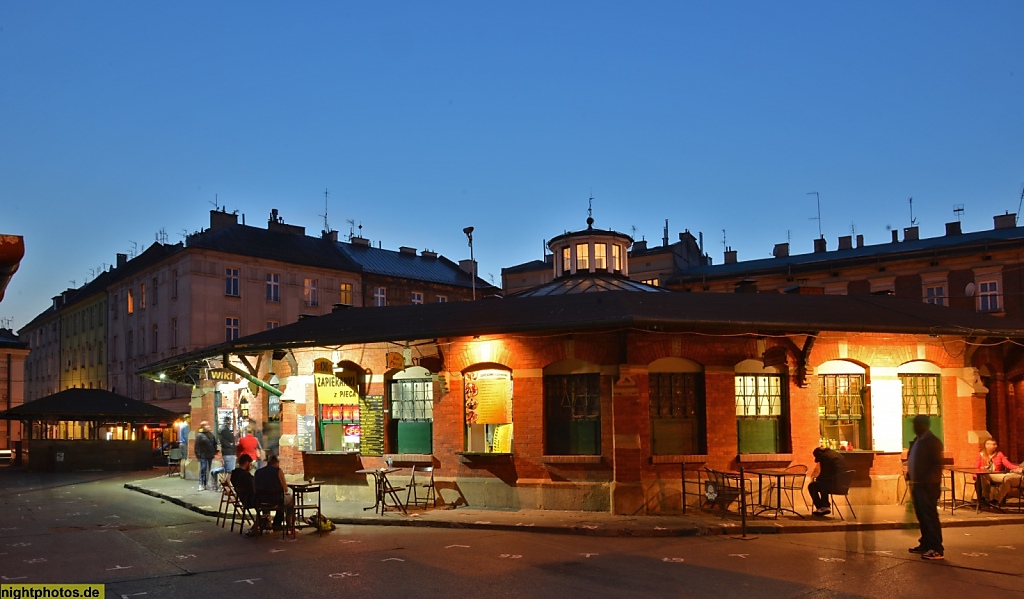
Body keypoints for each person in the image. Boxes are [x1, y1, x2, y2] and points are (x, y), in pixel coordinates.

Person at [908, 415, 945, 560]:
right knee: (922, 516)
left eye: (917, 424)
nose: (914, 427)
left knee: (930, 517)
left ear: (923, 425)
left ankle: (936, 548)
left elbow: (936, 465)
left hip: (928, 486)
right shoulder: (918, 441)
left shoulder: (932, 442)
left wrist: (928, 481)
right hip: (917, 484)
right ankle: (926, 542)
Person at [974, 437, 1023, 506]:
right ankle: (985, 498)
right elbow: (976, 467)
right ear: (987, 445)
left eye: (995, 444)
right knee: (981, 477)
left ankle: (988, 499)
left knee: (1007, 478)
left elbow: (1008, 464)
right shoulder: (981, 455)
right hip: (984, 476)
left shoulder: (999, 454)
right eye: (993, 444)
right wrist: (975, 476)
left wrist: (1017, 468)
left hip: (996, 474)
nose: (995, 446)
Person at [253, 454, 293, 532]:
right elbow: (285, 489)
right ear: (276, 463)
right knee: (290, 499)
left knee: (268, 499)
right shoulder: (278, 471)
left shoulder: (258, 472)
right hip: (276, 501)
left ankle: (267, 523)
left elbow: (255, 489)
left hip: (261, 501)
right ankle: (289, 525)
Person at [808, 446, 847, 517]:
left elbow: (824, 473)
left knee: (812, 486)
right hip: (844, 485)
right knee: (822, 483)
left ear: (820, 454)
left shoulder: (825, 457)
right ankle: (825, 505)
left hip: (834, 485)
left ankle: (822, 507)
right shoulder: (837, 454)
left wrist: (817, 479)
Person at [193, 420, 218, 491]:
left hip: (210, 454)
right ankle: (201, 484)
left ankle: (206, 484)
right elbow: (196, 446)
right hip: (203, 455)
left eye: (208, 425)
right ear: (203, 427)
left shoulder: (211, 434)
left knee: (209, 470)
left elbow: (214, 443)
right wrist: (198, 455)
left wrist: (215, 451)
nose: (208, 426)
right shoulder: (200, 435)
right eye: (206, 425)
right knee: (203, 469)